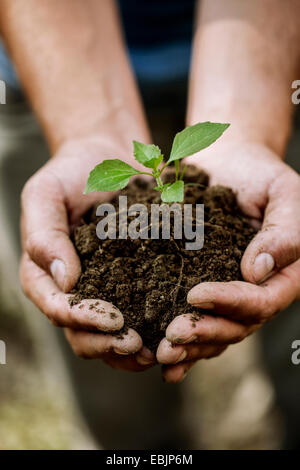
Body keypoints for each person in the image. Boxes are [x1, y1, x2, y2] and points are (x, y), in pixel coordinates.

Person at [0, 0, 300, 448]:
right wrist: (88, 131)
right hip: (49, 70)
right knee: (122, 419)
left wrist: (248, 131)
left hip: (277, 62)